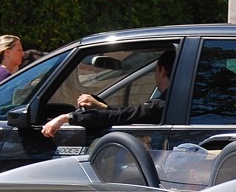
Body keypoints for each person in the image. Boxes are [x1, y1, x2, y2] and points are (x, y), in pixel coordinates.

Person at [42, 47, 175, 137]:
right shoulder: (173, 102)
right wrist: (102, 106)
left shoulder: (162, 105)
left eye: (155, 70)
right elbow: (129, 114)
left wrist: (67, 117)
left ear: (162, 71)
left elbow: (123, 116)